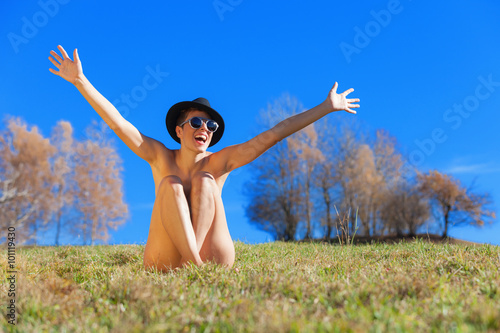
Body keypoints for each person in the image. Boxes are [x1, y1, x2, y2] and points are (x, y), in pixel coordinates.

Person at [48, 45, 360, 271]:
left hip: (214, 255)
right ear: (179, 130)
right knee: (170, 184)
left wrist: (326, 107)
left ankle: (196, 266)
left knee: (205, 181)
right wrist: (80, 81)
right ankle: (195, 269)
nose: (205, 129)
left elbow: (273, 134)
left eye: (210, 126)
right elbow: (118, 122)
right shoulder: (159, 156)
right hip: (165, 259)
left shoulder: (219, 162)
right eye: (196, 123)